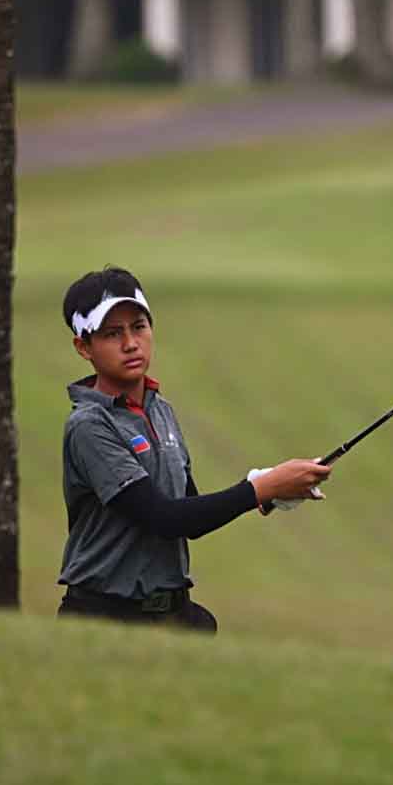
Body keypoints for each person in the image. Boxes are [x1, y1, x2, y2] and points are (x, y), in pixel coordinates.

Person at [56, 266, 329, 633]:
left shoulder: (160, 410)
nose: (131, 343)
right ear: (83, 347)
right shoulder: (90, 425)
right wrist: (261, 488)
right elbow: (164, 518)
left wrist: (266, 489)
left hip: (169, 611)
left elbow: (189, 509)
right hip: (105, 614)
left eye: (139, 327)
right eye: (112, 333)